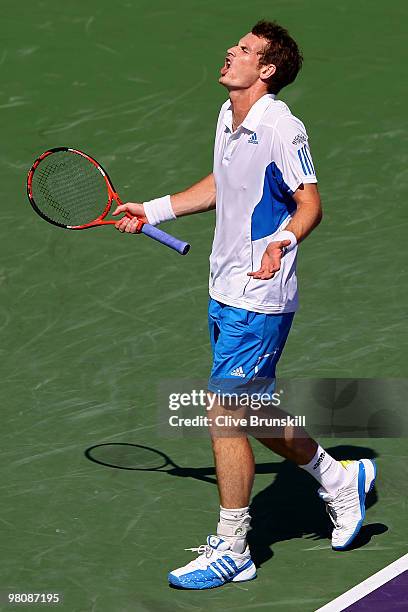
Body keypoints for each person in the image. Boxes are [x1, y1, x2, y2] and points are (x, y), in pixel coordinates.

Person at [113, 20, 376, 590]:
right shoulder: (227, 116)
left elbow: (310, 204)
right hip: (223, 288)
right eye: (236, 46)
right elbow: (221, 183)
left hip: (260, 296)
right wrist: (153, 210)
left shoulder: (282, 127)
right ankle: (338, 479)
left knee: (224, 412)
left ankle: (235, 545)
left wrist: (282, 242)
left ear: (268, 69)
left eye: (246, 50)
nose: (230, 52)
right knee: (249, 409)